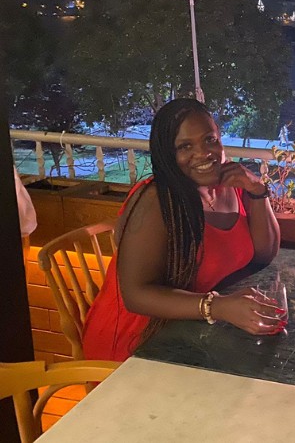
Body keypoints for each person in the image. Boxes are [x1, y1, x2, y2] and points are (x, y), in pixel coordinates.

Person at [83, 98, 282, 362]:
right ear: (167, 153)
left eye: (210, 140)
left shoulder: (231, 183)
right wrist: (218, 306)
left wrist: (257, 191)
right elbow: (135, 295)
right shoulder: (155, 201)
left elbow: (264, 254)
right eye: (185, 146)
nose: (203, 153)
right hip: (137, 343)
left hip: (191, 332)